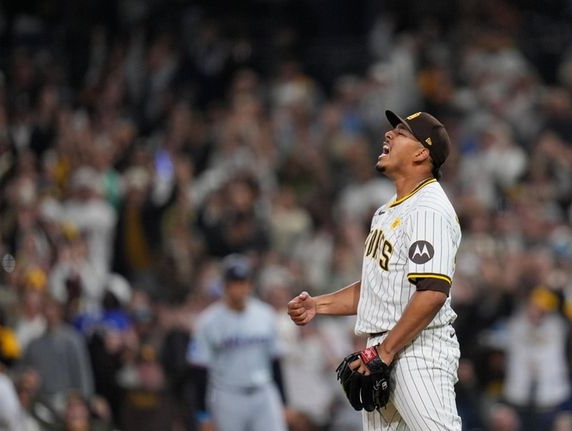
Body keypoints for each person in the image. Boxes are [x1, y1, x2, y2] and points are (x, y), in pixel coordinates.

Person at [288, 110, 462, 430]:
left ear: (422, 152)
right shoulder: (387, 211)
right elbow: (376, 289)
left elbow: (433, 293)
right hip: (384, 349)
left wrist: (384, 352)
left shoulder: (429, 209)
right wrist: (318, 305)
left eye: (401, 132)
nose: (389, 135)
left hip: (416, 350)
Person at [187, 254, 287, 431]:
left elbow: (275, 361)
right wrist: (203, 414)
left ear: (250, 284)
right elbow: (199, 370)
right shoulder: (208, 322)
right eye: (234, 283)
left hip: (263, 391)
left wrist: (284, 402)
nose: (238, 288)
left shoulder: (265, 315)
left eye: (242, 282)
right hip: (228, 395)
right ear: (224, 286)